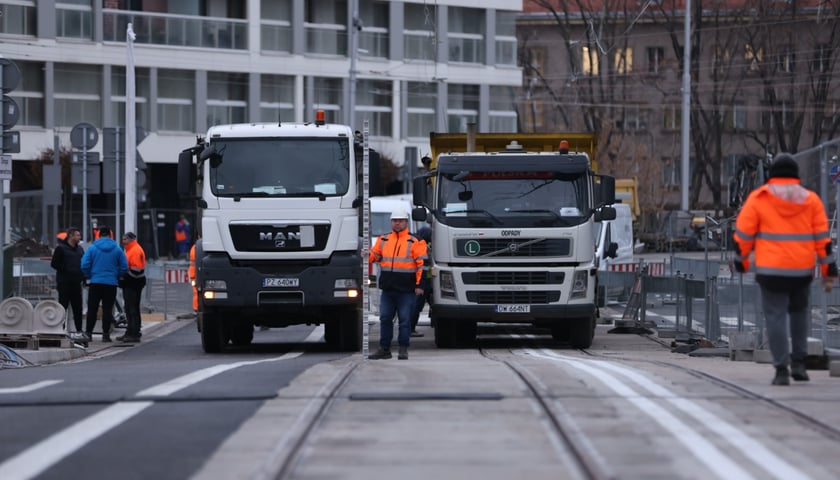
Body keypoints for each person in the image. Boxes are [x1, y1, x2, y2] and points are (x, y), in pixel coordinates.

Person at [733, 153, 837, 386]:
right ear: (795, 175)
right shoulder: (811, 200)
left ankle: (781, 368)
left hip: (770, 271)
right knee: (800, 314)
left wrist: (742, 261)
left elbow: (743, 235)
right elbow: (823, 239)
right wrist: (829, 267)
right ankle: (799, 363)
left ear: (771, 175)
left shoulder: (759, 199)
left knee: (775, 316)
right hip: (801, 270)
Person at [368, 209, 426, 360]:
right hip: (388, 289)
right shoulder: (383, 239)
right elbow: (375, 256)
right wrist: (367, 255)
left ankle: (403, 349)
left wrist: (420, 285)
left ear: (406, 222)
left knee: (405, 320)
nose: (397, 223)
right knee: (385, 319)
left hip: (407, 290)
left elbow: (422, 266)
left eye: (400, 220)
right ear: (391, 222)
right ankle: (384, 349)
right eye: (395, 220)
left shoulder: (416, 241)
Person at [81, 226, 128, 343]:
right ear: (110, 235)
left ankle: (88, 333)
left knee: (92, 309)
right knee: (107, 309)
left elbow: (84, 265)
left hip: (95, 282)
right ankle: (106, 335)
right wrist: (116, 276)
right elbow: (124, 267)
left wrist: (90, 275)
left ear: (99, 235)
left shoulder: (92, 248)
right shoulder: (117, 249)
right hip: (110, 284)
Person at [50, 227, 85, 334]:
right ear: (71, 236)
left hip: (76, 283)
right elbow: (54, 263)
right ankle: (61, 328)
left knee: (77, 308)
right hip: (64, 283)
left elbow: (83, 262)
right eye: (77, 235)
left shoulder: (79, 249)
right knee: (62, 307)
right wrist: (65, 269)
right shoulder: (61, 248)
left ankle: (79, 330)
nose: (79, 237)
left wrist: (82, 276)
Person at [117, 232, 146, 343]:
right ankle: (131, 331)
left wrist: (124, 279)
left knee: (131, 308)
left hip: (133, 283)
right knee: (131, 308)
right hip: (134, 282)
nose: (123, 241)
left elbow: (136, 270)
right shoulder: (131, 249)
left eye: (125, 239)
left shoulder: (134, 250)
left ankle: (133, 333)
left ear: (130, 239)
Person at [411, 225, 433, 337]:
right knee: (416, 306)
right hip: (423, 282)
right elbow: (425, 265)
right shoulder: (422, 246)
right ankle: (411, 329)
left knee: (419, 305)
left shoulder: (416, 243)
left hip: (423, 281)